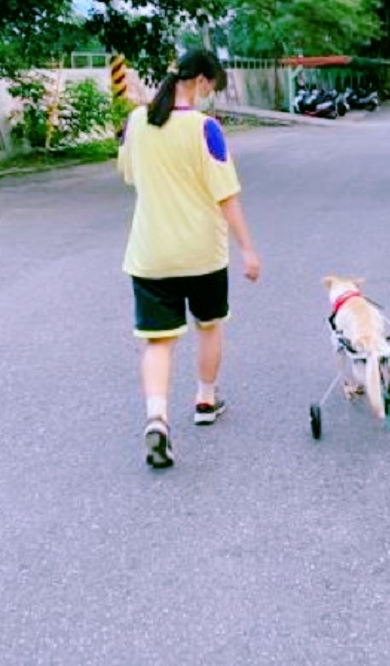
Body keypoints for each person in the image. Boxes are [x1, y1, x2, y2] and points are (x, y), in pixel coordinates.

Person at [118, 49, 261, 469]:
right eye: (209, 88)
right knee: (210, 326)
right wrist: (248, 249)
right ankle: (205, 399)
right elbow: (227, 195)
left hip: (150, 254)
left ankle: (157, 418)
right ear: (199, 80)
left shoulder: (137, 122)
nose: (208, 96)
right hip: (202, 254)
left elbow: (129, 174)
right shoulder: (206, 129)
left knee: (158, 341)